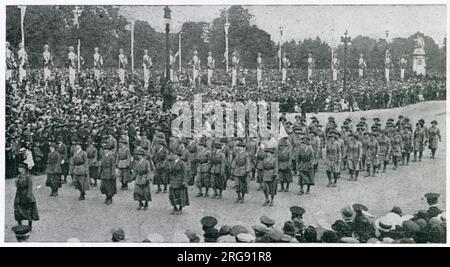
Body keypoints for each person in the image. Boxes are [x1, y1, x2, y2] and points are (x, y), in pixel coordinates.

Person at [14, 163, 39, 231]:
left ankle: (29, 225)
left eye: (20, 168)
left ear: (24, 169)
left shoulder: (28, 177)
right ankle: (20, 224)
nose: (19, 169)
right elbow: (17, 185)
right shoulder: (19, 176)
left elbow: (30, 187)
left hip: (26, 194)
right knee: (18, 209)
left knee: (28, 211)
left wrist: (28, 196)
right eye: (18, 167)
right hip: (19, 194)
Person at [165, 147, 190, 215]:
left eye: (174, 154)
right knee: (172, 195)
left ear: (177, 155)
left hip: (180, 180)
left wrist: (184, 181)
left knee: (180, 195)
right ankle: (174, 207)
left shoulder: (182, 163)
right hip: (173, 180)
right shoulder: (172, 162)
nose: (172, 155)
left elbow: (185, 173)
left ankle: (180, 208)